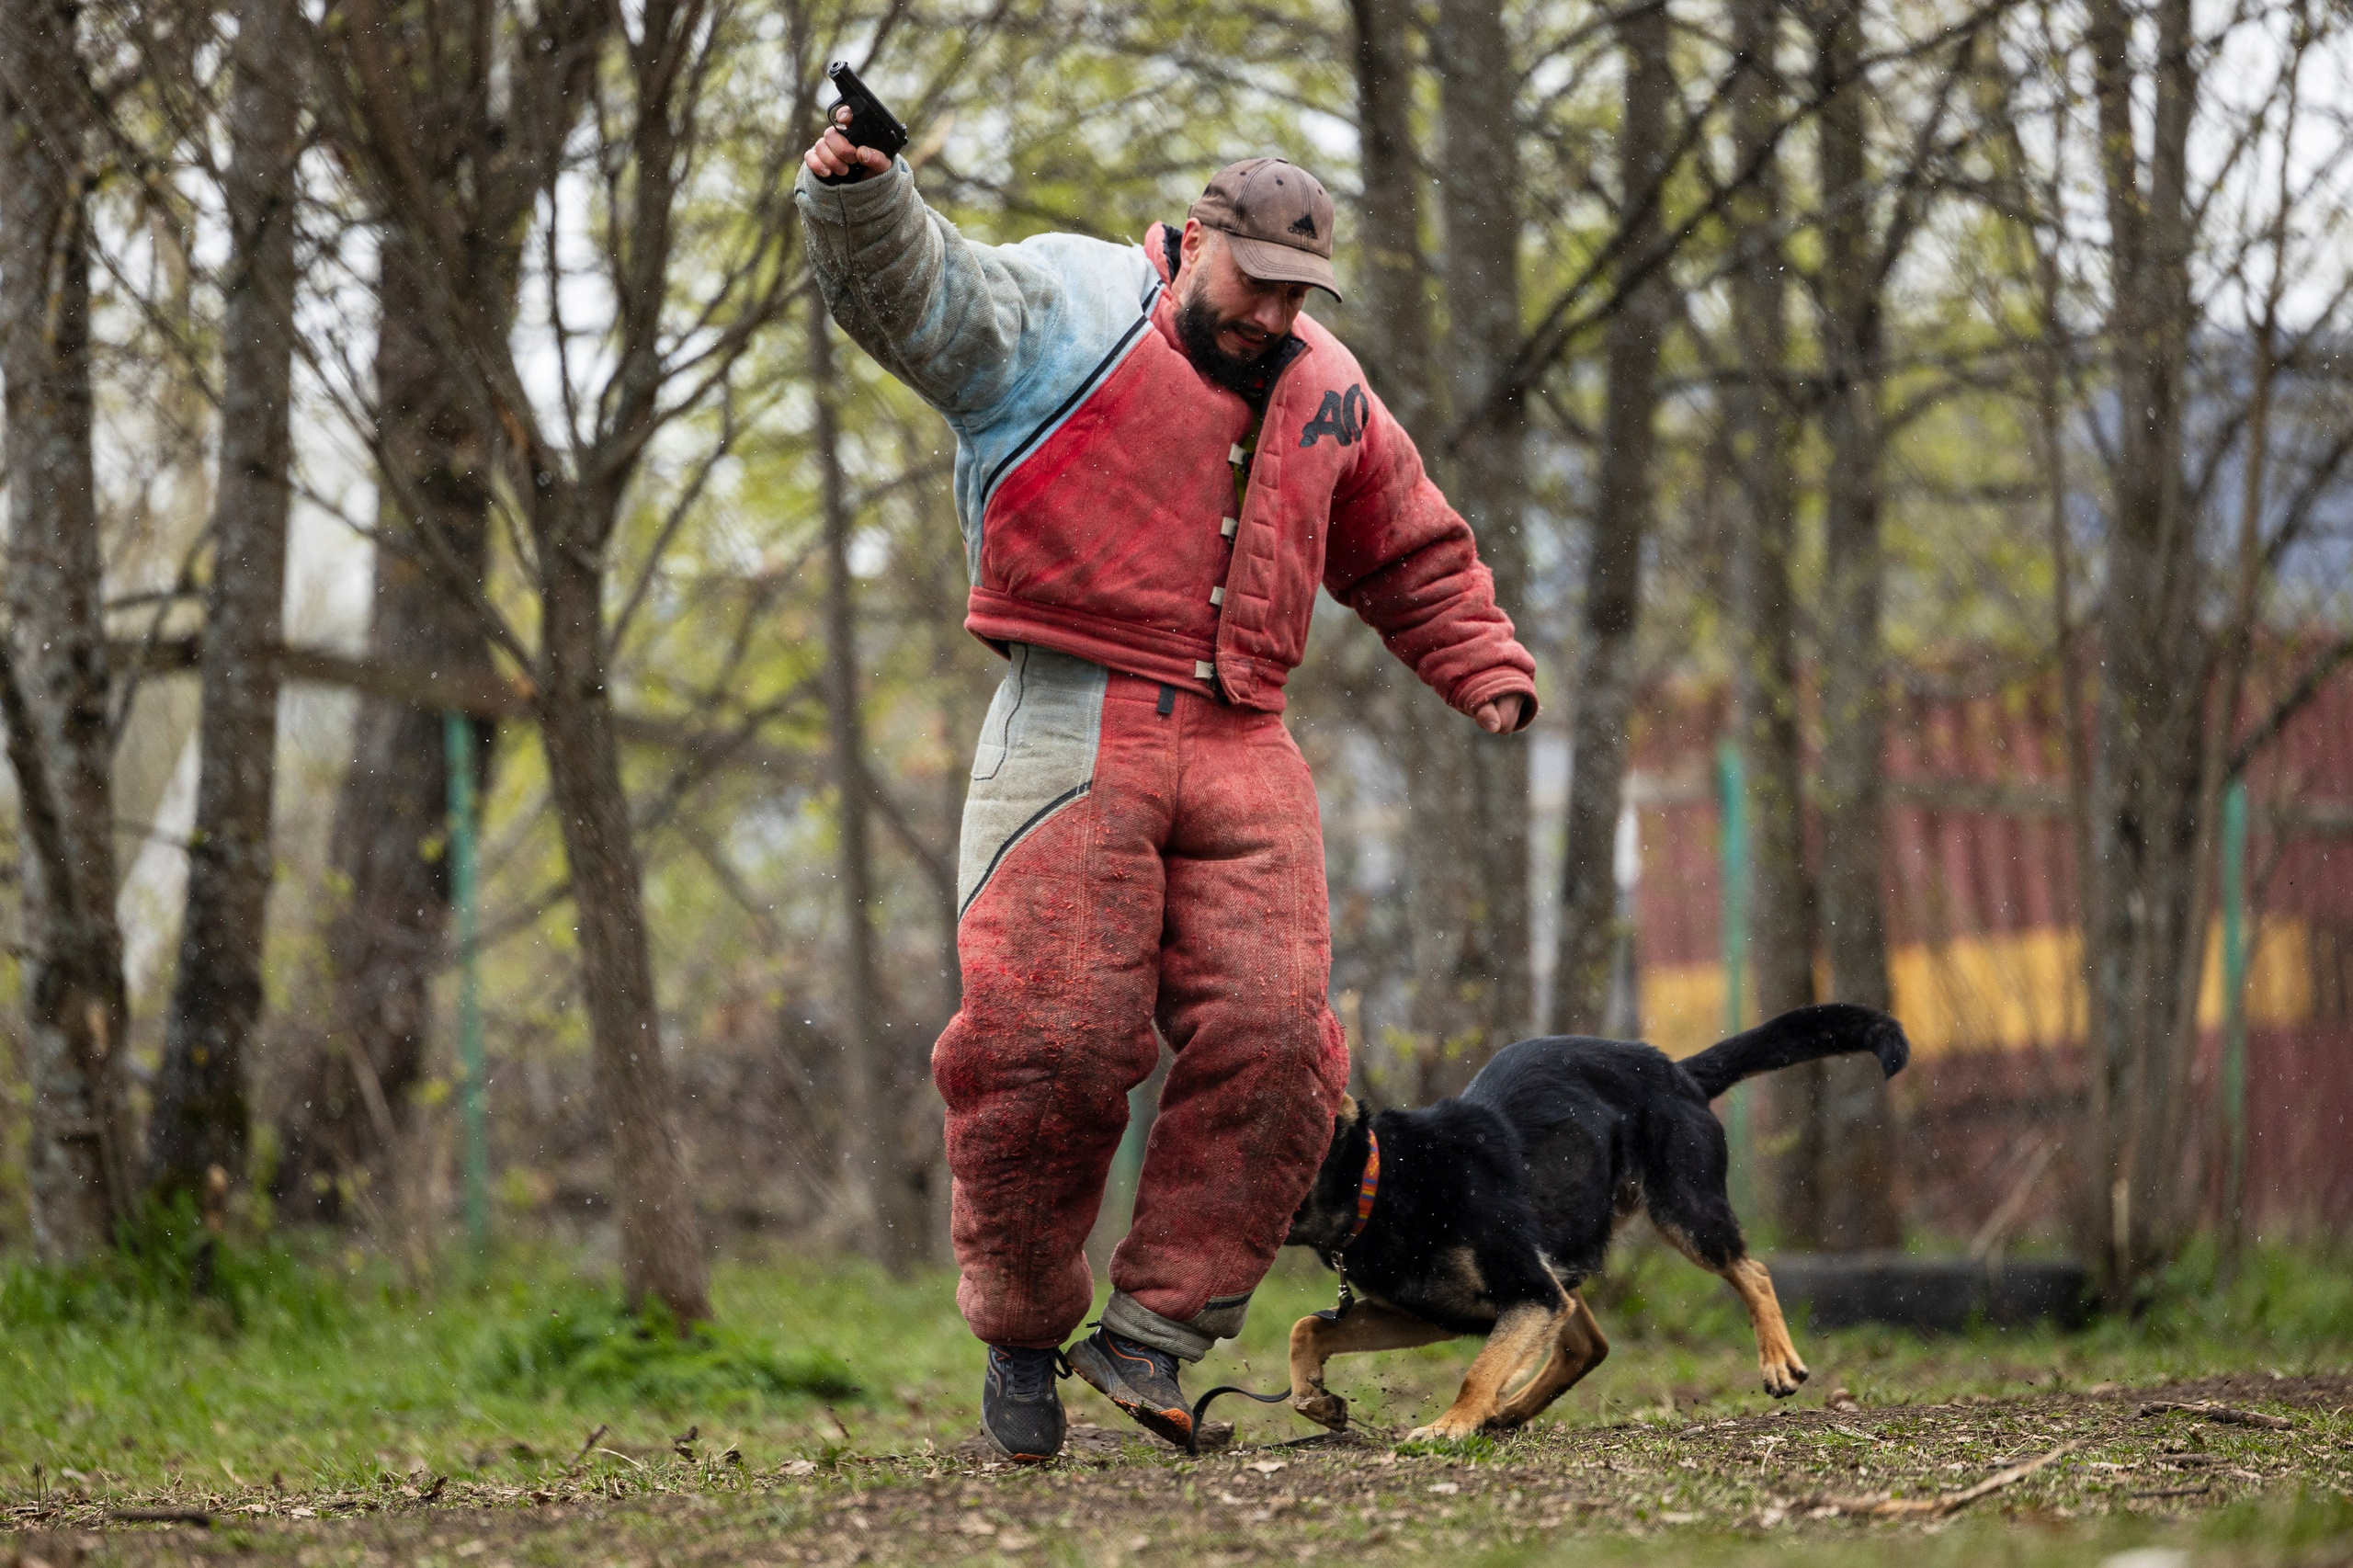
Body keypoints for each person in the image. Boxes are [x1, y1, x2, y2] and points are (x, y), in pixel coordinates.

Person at [798, 110, 1539, 1461]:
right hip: (1071, 710)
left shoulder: (1329, 389)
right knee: (1050, 1042)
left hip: (1248, 731)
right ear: (1195, 241)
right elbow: (924, 288)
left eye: (1295, 293)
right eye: (1250, 279)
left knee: (1282, 1046)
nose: (1268, 313)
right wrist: (862, 195)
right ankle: (1022, 1330)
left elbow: (1407, 545)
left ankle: (1157, 1330)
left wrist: (1480, 657)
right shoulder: (1069, 310)